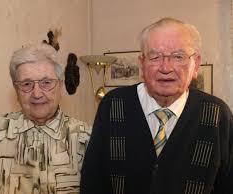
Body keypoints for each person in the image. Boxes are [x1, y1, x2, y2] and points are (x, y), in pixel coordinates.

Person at [80, 17, 233, 194]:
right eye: (155, 56)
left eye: (178, 56)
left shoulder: (217, 114)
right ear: (141, 64)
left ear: (196, 65)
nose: (165, 67)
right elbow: (93, 182)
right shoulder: (113, 105)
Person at [0, 43, 91, 194]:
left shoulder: (85, 137)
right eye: (27, 84)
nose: (36, 93)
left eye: (46, 83)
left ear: (60, 87)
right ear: (16, 90)